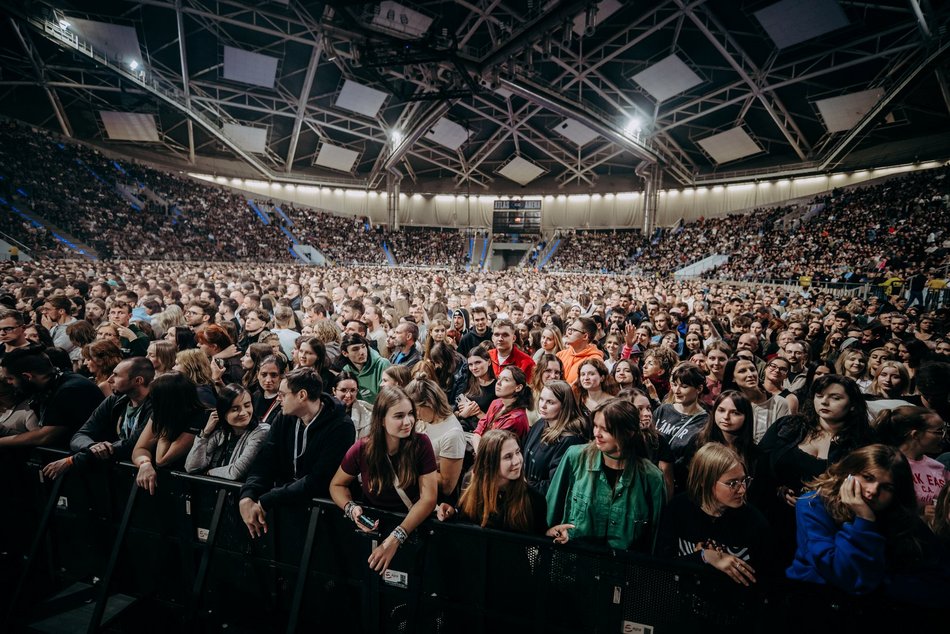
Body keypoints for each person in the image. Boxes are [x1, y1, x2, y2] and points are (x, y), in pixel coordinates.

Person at [755, 375, 873, 567]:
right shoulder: (789, 426)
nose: (824, 401)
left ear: (852, 405)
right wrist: (778, 488)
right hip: (776, 518)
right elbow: (760, 464)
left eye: (835, 397)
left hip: (827, 527)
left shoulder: (861, 444)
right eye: (819, 395)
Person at [330, 386, 439, 575]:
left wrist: (396, 537)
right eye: (398, 416)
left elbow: (428, 498)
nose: (408, 422)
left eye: (410, 414)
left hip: (413, 527)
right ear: (381, 420)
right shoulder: (362, 448)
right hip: (375, 529)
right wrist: (351, 508)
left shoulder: (421, 444)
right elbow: (336, 485)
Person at [787, 445, 918, 595]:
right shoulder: (812, 504)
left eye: (887, 487)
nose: (873, 491)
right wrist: (864, 520)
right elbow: (840, 571)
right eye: (868, 478)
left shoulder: (896, 515)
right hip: (815, 598)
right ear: (848, 473)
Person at [238, 367, 354, 537]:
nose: (279, 399)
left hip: (322, 517)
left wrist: (266, 500)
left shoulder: (342, 426)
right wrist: (248, 495)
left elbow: (319, 480)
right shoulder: (284, 417)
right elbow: (265, 459)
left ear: (301, 395)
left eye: (283, 394)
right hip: (285, 506)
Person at [546, 397, 665, 551]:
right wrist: (550, 532)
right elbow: (552, 507)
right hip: (575, 562)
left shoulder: (651, 477)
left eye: (606, 429)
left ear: (629, 433)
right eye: (595, 426)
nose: (597, 433)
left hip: (623, 570)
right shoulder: (575, 457)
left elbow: (655, 537)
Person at [656, 443, 769, 585]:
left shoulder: (754, 521)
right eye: (732, 483)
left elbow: (765, 580)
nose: (742, 490)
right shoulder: (678, 509)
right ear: (705, 481)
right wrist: (705, 556)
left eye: (744, 481)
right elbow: (661, 566)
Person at [40, 357, 155, 480]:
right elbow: (80, 435)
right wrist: (92, 446)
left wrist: (72, 460)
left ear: (138, 380)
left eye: (116, 375)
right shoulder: (114, 400)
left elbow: (130, 444)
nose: (109, 380)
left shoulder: (155, 405)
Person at [436, 429, 547, 534]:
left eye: (518, 452)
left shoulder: (534, 499)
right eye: (508, 456)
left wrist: (551, 534)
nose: (517, 461)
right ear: (489, 461)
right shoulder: (470, 481)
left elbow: (540, 537)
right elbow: (465, 518)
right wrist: (451, 513)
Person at [0, 346, 104, 449]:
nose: (8, 383)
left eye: (10, 378)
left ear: (27, 376)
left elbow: (45, 436)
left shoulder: (70, 390)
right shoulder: (51, 384)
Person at [131, 372, 207, 493]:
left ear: (166, 400)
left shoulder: (199, 417)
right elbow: (140, 448)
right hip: (162, 485)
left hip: (188, 487)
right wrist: (144, 463)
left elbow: (162, 460)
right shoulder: (159, 414)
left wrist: (165, 428)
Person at [185, 383, 270, 480]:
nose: (243, 412)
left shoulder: (262, 431)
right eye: (235, 409)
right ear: (223, 413)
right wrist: (205, 433)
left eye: (247, 405)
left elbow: (235, 472)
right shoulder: (221, 433)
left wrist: (209, 472)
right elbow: (192, 467)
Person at [875, 406, 948, 515]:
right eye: (938, 432)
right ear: (916, 435)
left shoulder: (940, 467)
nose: (944, 437)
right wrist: (919, 512)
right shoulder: (887, 464)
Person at [405, 375, 466, 500]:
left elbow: (447, 486)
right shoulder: (426, 419)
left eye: (415, 411)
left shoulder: (452, 434)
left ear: (430, 403)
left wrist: (408, 465)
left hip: (433, 499)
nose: (414, 416)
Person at [522, 380, 589, 495]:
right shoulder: (541, 423)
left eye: (550, 402)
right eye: (542, 399)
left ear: (564, 406)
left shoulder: (570, 439)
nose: (543, 405)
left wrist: (524, 486)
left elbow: (556, 484)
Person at [654, 363, 709, 489]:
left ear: (699, 389)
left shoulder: (705, 421)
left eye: (684, 386)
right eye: (675, 385)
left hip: (680, 483)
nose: (677, 391)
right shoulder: (663, 410)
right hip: (653, 476)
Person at [722, 357, 790, 443]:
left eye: (752, 369)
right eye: (742, 371)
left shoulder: (779, 403)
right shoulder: (728, 404)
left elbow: (784, 437)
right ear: (733, 378)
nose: (750, 374)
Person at [692, 390, 757, 478]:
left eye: (735, 413)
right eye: (721, 410)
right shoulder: (698, 441)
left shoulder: (754, 453)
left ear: (746, 417)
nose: (726, 417)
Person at [472, 366, 532, 451]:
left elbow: (492, 447)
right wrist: (478, 450)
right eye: (499, 378)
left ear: (518, 387)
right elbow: (479, 430)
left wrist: (478, 453)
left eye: (506, 380)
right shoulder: (496, 402)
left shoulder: (515, 419)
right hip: (483, 451)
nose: (498, 383)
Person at [455, 344, 496, 433]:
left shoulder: (497, 387)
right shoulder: (466, 382)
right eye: (470, 364)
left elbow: (496, 425)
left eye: (478, 362)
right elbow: (453, 411)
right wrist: (462, 414)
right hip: (460, 429)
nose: (474, 368)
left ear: (488, 362)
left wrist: (478, 412)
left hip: (481, 433)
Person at [340, 333, 390, 405]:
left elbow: (388, 397)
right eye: (355, 349)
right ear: (345, 353)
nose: (362, 352)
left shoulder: (382, 364)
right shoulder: (346, 370)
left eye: (363, 347)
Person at [556, 317, 604, 385]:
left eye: (573, 330)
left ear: (585, 336)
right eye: (569, 329)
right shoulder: (560, 355)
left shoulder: (595, 360)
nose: (568, 332)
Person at [333, 370, 373, 439]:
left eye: (352, 390)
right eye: (343, 390)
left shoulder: (367, 415)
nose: (348, 395)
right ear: (334, 391)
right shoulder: (322, 410)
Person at [252, 354, 286, 427]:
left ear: (282, 376)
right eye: (264, 375)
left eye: (273, 375)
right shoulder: (255, 396)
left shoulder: (285, 401)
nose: (268, 380)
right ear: (257, 375)